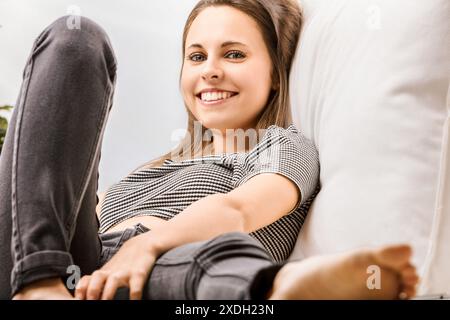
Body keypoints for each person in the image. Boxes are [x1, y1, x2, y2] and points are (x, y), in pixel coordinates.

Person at [0, 0, 418, 300]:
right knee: (77, 38)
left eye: (233, 54)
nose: (210, 70)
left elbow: (239, 211)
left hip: (163, 274)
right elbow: (56, 208)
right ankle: (38, 284)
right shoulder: (146, 170)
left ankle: (282, 289)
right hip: (58, 263)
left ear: (274, 74)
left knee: (213, 258)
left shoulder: (282, 145)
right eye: (196, 56)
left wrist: (145, 245)